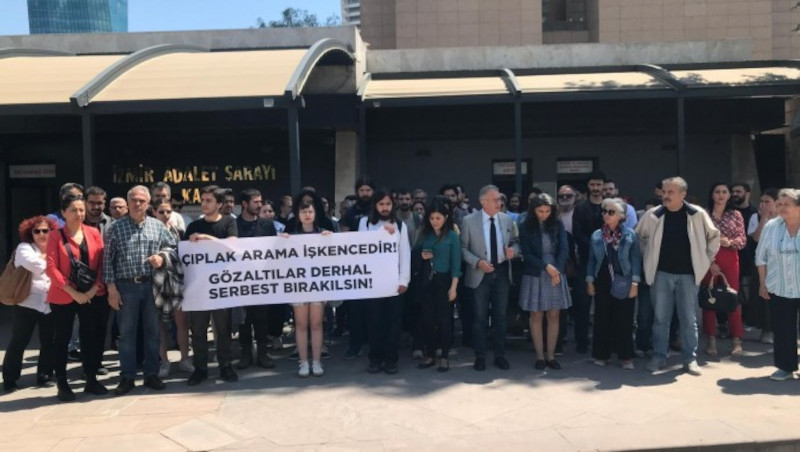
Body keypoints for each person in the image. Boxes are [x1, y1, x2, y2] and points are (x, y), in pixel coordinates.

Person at [636, 177, 720, 376]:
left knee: (688, 319)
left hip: (688, 275)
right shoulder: (652, 215)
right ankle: (659, 356)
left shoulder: (697, 214)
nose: (665, 196)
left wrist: (705, 260)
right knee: (660, 319)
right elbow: (639, 237)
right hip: (661, 275)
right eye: (664, 192)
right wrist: (648, 259)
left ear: (683, 194)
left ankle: (690, 359)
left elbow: (714, 237)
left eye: (670, 192)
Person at [104, 185, 176, 396]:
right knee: (126, 334)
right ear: (127, 203)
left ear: (148, 203)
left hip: (152, 285)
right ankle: (127, 376)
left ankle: (151, 374)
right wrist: (111, 289)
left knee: (153, 332)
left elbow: (173, 247)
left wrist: (162, 257)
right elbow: (107, 260)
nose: (137, 204)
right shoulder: (115, 228)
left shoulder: (157, 226)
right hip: (126, 287)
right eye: (134, 200)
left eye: (142, 201)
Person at [46, 195, 107, 401]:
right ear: (63, 213)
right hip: (63, 294)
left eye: (81, 210)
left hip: (91, 293)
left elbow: (101, 263)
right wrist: (74, 293)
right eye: (73, 210)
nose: (78, 214)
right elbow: (51, 268)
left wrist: (92, 290)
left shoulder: (94, 232)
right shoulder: (55, 236)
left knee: (90, 336)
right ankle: (62, 382)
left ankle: (91, 378)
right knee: (62, 339)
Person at [184, 186, 238, 386]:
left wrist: (208, 239)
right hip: (198, 287)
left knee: (223, 330)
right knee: (198, 331)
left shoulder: (229, 222)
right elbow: (184, 254)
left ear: (219, 204)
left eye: (209, 200)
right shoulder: (193, 226)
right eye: (203, 200)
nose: (204, 204)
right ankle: (200, 369)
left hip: (221, 286)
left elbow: (233, 245)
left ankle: (226, 366)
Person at [461, 184, 519, 371]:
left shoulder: (507, 220)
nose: (499, 202)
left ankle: (499, 355)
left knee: (500, 316)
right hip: (480, 273)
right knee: (480, 317)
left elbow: (516, 243)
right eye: (495, 200)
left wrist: (513, 251)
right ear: (483, 202)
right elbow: (463, 248)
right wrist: (477, 262)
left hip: (501, 272)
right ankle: (480, 356)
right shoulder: (469, 221)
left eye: (500, 199)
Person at [2, 216, 58, 392]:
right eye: (37, 231)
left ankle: (45, 376)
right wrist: (55, 265)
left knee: (50, 341)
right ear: (30, 233)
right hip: (27, 302)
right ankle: (10, 379)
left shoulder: (56, 247)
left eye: (45, 230)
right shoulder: (24, 248)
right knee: (19, 341)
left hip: (50, 303)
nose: (41, 234)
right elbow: (34, 264)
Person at [359, 188, 411, 374]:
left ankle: (391, 360)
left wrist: (404, 280)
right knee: (374, 323)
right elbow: (361, 247)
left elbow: (405, 254)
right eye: (381, 204)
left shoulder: (401, 226)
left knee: (393, 324)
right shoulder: (364, 223)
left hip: (394, 283)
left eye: (388, 204)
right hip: (372, 284)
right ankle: (375, 359)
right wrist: (382, 232)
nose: (385, 207)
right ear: (375, 205)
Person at [587, 198, 641, 370]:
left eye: (611, 212)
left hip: (624, 278)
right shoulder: (597, 235)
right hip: (602, 278)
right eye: (604, 211)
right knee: (602, 317)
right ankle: (601, 354)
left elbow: (635, 259)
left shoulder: (630, 234)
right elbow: (591, 260)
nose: (606, 215)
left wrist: (635, 283)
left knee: (624, 319)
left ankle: (625, 356)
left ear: (621, 216)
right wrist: (590, 280)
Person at [519, 194, 571, 370]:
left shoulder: (557, 224)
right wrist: (545, 266)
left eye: (547, 211)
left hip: (556, 271)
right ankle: (540, 356)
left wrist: (557, 270)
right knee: (536, 315)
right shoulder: (525, 226)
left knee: (554, 315)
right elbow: (526, 254)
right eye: (540, 211)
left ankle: (551, 355)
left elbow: (564, 248)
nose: (544, 214)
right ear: (533, 210)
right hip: (535, 272)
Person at [282, 200, 331, 377]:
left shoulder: (324, 233)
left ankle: (316, 361)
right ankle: (303, 362)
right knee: (301, 324)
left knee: (316, 324)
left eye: (310, 211)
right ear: (298, 215)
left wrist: (329, 239)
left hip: (318, 286)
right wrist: (282, 242)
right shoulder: (291, 236)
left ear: (315, 214)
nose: (307, 215)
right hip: (298, 286)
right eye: (303, 212)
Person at [755, 188, 800, 381]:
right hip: (779, 286)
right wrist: (762, 283)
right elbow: (761, 256)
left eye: (786, 204)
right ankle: (785, 367)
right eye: (779, 204)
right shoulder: (772, 226)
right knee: (783, 329)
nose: (781, 208)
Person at [414, 199, 461, 372]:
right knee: (427, 319)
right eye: (432, 218)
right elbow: (414, 253)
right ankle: (430, 354)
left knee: (444, 320)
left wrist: (454, 287)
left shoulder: (452, 236)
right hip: (427, 280)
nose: (435, 221)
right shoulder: (424, 234)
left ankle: (445, 356)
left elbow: (456, 264)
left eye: (438, 218)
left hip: (445, 280)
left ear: (445, 217)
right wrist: (421, 256)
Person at [702, 183, 746, 357]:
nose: (720, 195)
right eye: (717, 192)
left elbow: (742, 239)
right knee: (709, 299)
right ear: (712, 195)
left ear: (729, 195)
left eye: (724, 192)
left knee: (732, 299)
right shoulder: (704, 214)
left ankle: (736, 341)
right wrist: (710, 262)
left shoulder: (736, 214)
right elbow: (699, 240)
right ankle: (711, 340)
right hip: (709, 259)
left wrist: (730, 242)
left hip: (730, 258)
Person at [235, 189, 277, 370]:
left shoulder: (267, 225)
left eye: (260, 201)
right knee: (244, 320)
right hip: (239, 280)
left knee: (261, 318)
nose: (260, 205)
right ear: (245, 204)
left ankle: (262, 354)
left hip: (261, 279)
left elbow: (275, 249)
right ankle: (246, 354)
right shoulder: (233, 225)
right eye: (256, 202)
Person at [152, 199, 193, 376]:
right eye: (161, 212)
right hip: (157, 282)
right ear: (154, 212)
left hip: (177, 281)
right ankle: (164, 362)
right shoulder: (150, 230)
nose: (165, 215)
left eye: (168, 211)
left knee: (182, 322)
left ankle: (185, 359)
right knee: (160, 325)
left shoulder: (179, 231)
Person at [571, 171, 607, 354]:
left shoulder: (609, 206)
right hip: (585, 261)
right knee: (582, 303)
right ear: (588, 186)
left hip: (607, 261)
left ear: (603, 186)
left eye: (598, 184)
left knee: (604, 304)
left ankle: (603, 342)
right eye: (592, 184)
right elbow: (577, 233)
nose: (595, 188)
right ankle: (581, 342)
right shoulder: (580, 208)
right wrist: (594, 246)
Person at [749, 188, 780, 344]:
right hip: (763, 263)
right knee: (764, 298)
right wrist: (764, 219)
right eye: (761, 201)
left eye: (767, 202)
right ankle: (766, 329)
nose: (763, 205)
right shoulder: (755, 217)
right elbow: (756, 238)